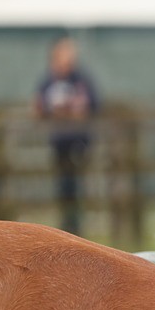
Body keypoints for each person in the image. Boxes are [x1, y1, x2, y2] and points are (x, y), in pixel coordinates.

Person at [35, 36, 99, 236]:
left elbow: (94, 105)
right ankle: (67, 226)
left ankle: (77, 226)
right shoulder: (48, 81)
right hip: (59, 142)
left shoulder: (81, 79)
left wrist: (77, 111)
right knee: (63, 185)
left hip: (78, 141)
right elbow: (38, 106)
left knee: (77, 184)